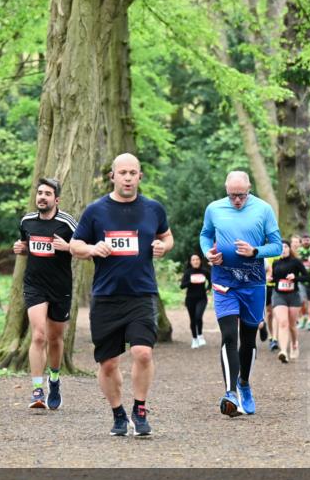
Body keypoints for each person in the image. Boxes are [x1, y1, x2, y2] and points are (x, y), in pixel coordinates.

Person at [70, 154, 174, 438]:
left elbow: (167, 236)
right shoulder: (95, 211)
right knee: (108, 363)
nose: (128, 177)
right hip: (106, 296)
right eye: (122, 173)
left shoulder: (153, 209)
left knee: (142, 352)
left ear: (140, 176)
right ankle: (118, 414)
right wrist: (92, 249)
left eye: (133, 172)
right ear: (112, 176)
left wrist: (163, 246)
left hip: (142, 293)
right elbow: (74, 245)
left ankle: (140, 410)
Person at [200, 170, 283, 417]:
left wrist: (255, 251)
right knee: (228, 337)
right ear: (226, 190)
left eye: (242, 195)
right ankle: (230, 394)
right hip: (224, 282)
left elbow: (277, 245)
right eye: (233, 195)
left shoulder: (264, 209)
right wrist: (208, 253)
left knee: (248, 340)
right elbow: (205, 235)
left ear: (250, 189)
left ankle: (244, 384)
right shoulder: (214, 208)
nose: (237, 200)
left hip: (254, 284)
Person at [12, 178, 77, 410]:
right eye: (39, 193)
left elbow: (83, 248)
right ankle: (37, 391)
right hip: (35, 285)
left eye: (47, 194)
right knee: (38, 335)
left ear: (56, 199)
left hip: (60, 288)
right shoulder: (27, 221)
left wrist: (68, 247)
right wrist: (20, 249)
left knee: (55, 339)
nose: (42, 197)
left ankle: (55, 379)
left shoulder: (67, 223)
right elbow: (24, 245)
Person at [270, 241, 310, 362]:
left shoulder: (296, 262)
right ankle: (283, 351)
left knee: (292, 325)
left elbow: (306, 276)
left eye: (286, 247)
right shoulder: (276, 262)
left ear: (289, 249)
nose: (283, 249)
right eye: (281, 247)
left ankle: (294, 344)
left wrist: (295, 278)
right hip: (278, 295)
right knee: (283, 322)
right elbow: (274, 278)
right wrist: (270, 278)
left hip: (293, 295)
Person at [180, 253, 211, 349]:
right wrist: (190, 282)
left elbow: (211, 281)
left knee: (198, 316)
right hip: (190, 299)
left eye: (197, 259)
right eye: (193, 260)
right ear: (190, 262)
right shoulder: (188, 272)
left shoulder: (205, 271)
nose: (195, 261)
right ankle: (194, 339)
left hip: (202, 298)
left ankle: (200, 335)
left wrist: (208, 288)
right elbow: (182, 286)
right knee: (192, 319)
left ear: (200, 260)